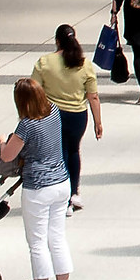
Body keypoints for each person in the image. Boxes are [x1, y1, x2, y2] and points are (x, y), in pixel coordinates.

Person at [0, 79, 74, 280]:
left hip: (38, 187)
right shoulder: (54, 111)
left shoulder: (26, 126)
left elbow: (8, 156)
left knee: (37, 243)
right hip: (62, 182)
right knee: (57, 238)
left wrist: (2, 142)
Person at [31, 24, 104, 210]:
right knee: (73, 151)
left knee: (58, 154)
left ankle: (61, 197)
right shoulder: (84, 64)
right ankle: (74, 192)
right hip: (77, 116)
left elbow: (33, 91)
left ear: (57, 41)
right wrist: (98, 122)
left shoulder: (44, 62)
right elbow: (93, 96)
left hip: (51, 115)